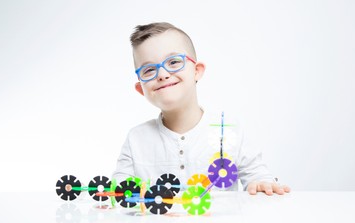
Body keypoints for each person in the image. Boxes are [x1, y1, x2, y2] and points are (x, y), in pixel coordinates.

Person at [113, 22, 290, 196]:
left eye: (174, 62)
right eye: (149, 70)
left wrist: (261, 184)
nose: (162, 74)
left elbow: (258, 176)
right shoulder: (136, 139)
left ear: (197, 71)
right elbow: (118, 192)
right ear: (140, 89)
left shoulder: (228, 130)